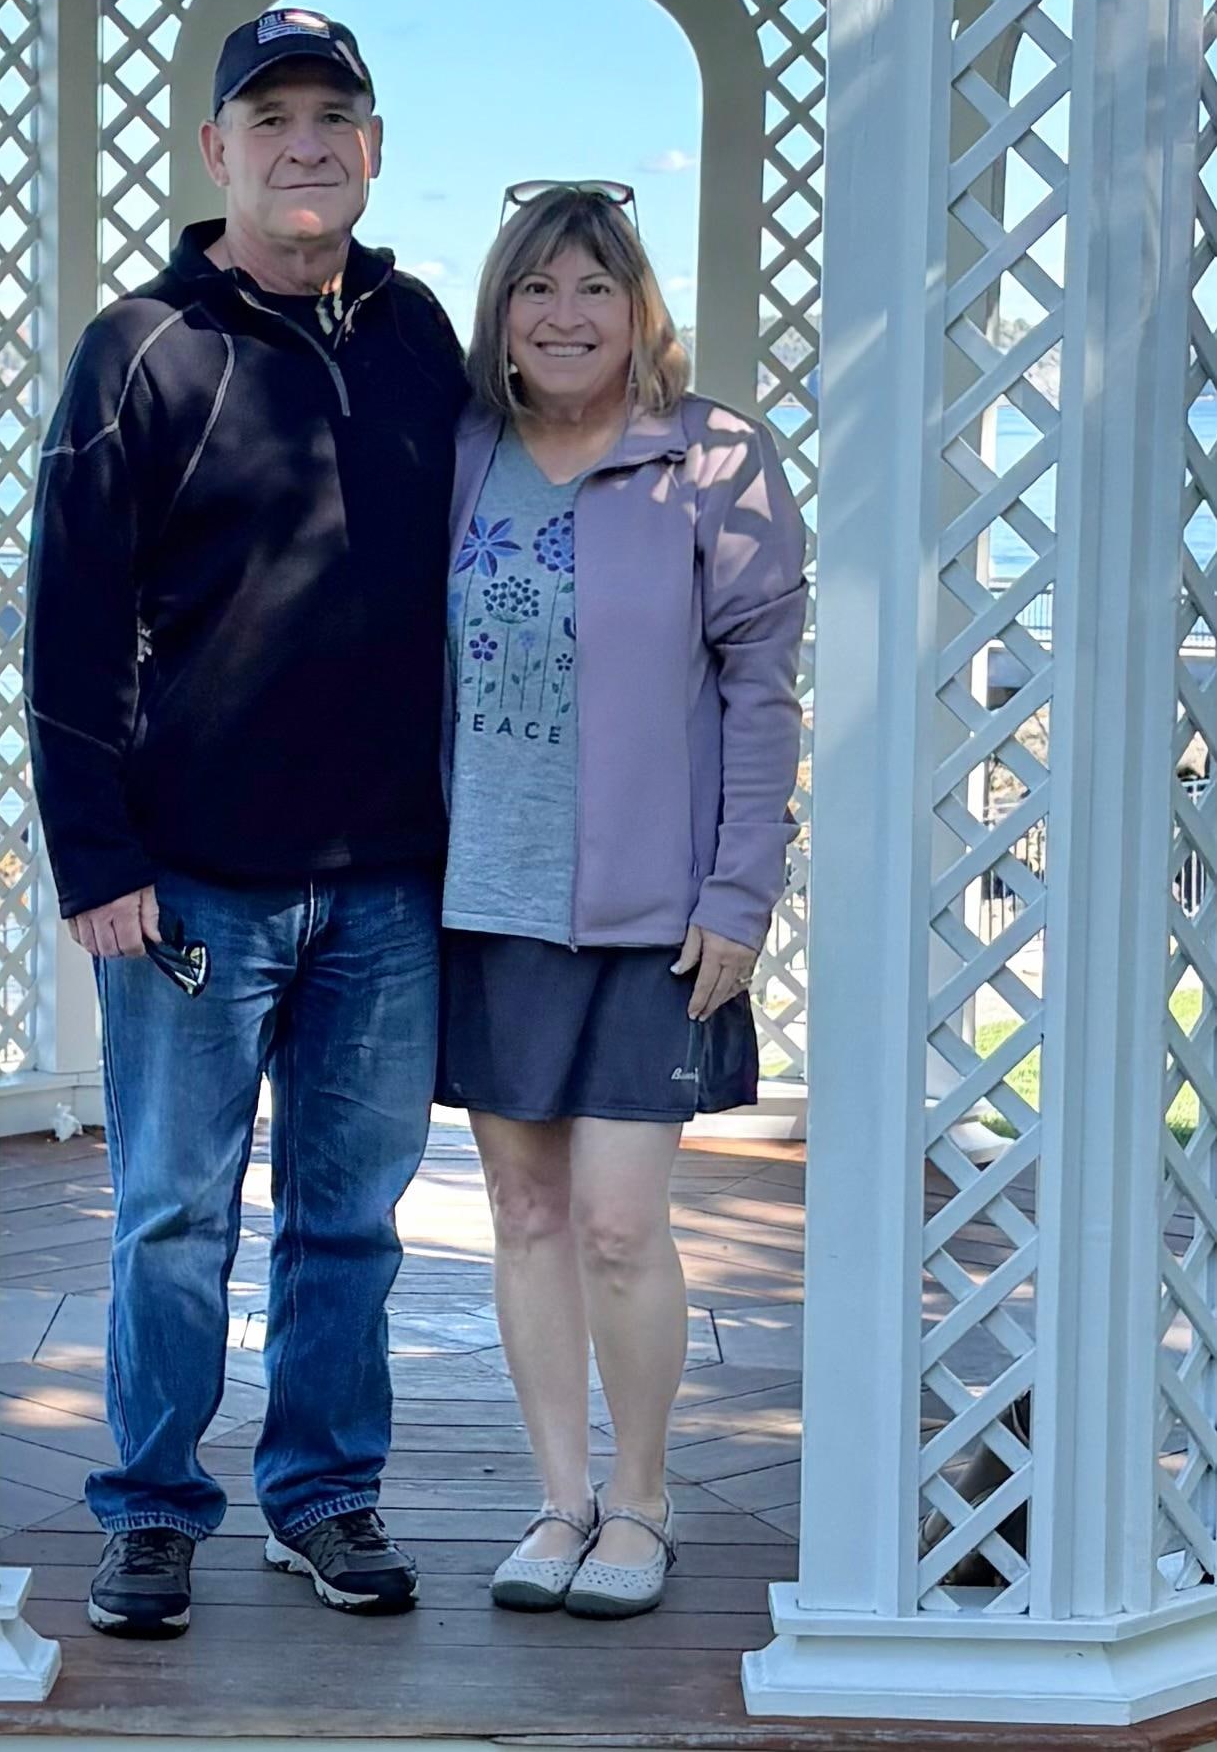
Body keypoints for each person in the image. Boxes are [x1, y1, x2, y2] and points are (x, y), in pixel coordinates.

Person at [24, 9, 467, 1639]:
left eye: (332, 113)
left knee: (348, 1220)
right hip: (189, 884)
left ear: (371, 144)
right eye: (269, 114)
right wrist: (98, 858)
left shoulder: (423, 333)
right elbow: (66, 620)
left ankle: (324, 1495)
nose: (303, 141)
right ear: (216, 148)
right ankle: (148, 1508)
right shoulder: (141, 346)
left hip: (388, 886)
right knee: (170, 1215)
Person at [438, 182, 805, 1619]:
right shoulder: (462, 453)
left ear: (637, 305)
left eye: (594, 285)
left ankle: (642, 1501)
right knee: (520, 1213)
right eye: (537, 288)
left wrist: (740, 887)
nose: (565, 313)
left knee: (612, 1219)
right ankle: (557, 1501)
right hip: (484, 896)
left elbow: (764, 694)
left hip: (654, 912)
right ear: (502, 317)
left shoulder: (714, 459)